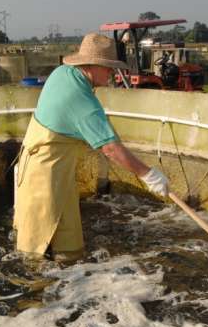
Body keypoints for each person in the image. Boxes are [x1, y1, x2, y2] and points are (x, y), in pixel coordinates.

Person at [13, 33, 170, 261]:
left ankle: (68, 272)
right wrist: (148, 175)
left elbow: (99, 128)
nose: (112, 73)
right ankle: (32, 290)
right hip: (44, 175)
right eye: (108, 68)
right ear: (91, 65)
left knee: (68, 244)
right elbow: (110, 148)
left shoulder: (63, 74)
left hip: (51, 168)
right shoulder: (82, 100)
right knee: (36, 246)